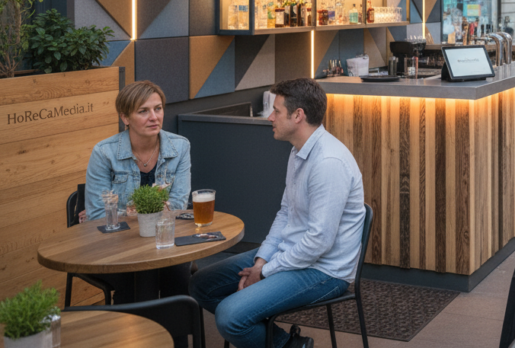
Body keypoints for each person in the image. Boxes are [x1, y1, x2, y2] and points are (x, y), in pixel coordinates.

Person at [190, 78, 365, 348]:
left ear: (298, 116)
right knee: (202, 284)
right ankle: (288, 343)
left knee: (230, 317)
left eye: (277, 111)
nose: (270, 117)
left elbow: (319, 242)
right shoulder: (298, 151)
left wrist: (267, 271)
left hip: (324, 271)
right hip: (291, 253)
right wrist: (261, 261)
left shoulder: (328, 162)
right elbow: (286, 213)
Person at [83, 81, 192, 306]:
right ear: (125, 118)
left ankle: (177, 340)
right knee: (137, 281)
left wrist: (128, 213)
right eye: (143, 111)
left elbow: (179, 204)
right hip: (117, 247)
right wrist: (150, 212)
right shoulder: (104, 153)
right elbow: (96, 216)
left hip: (164, 242)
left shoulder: (180, 147)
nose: (154, 117)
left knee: (178, 277)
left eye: (158, 108)